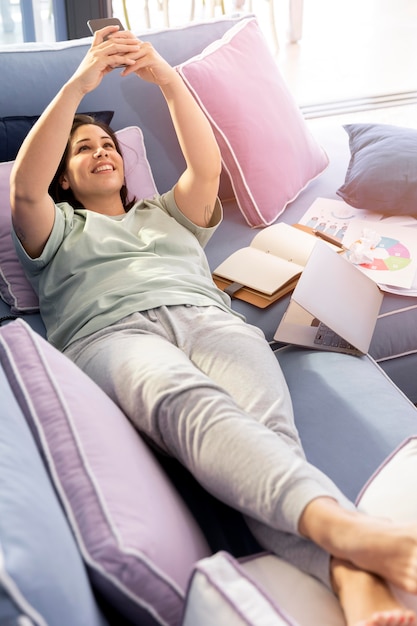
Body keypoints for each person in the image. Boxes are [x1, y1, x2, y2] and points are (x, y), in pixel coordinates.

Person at [10, 25, 417, 626]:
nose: (102, 152)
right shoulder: (55, 231)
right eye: (84, 149)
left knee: (268, 434)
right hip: (113, 335)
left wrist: (167, 79)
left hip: (208, 318)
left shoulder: (170, 213)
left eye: (109, 145)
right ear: (64, 179)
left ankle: (349, 575)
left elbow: (207, 164)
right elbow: (23, 188)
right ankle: (351, 531)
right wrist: (80, 84)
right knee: (188, 401)